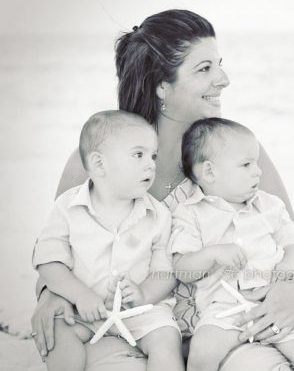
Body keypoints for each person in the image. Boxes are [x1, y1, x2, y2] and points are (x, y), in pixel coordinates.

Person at [31, 9, 294, 371]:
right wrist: (48, 296)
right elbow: (56, 251)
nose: (224, 79)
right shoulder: (95, 160)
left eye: (220, 65)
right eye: (205, 69)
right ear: (161, 85)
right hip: (129, 337)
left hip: (230, 335)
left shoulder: (239, 158)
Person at [171, 117, 294, 371]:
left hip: (274, 301)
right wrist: (212, 254)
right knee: (202, 352)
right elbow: (182, 268)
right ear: (210, 172)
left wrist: (287, 267)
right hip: (223, 310)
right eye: (246, 164)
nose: (258, 171)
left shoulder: (270, 206)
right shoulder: (191, 213)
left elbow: (293, 246)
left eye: (255, 162)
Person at [32, 111, 184, 371]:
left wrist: (144, 293)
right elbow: (48, 261)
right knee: (59, 328)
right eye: (139, 155)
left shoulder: (158, 215)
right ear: (99, 164)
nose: (150, 164)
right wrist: (79, 295)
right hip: (83, 309)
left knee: (166, 337)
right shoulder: (68, 207)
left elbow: (166, 271)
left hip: (140, 312)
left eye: (153, 156)